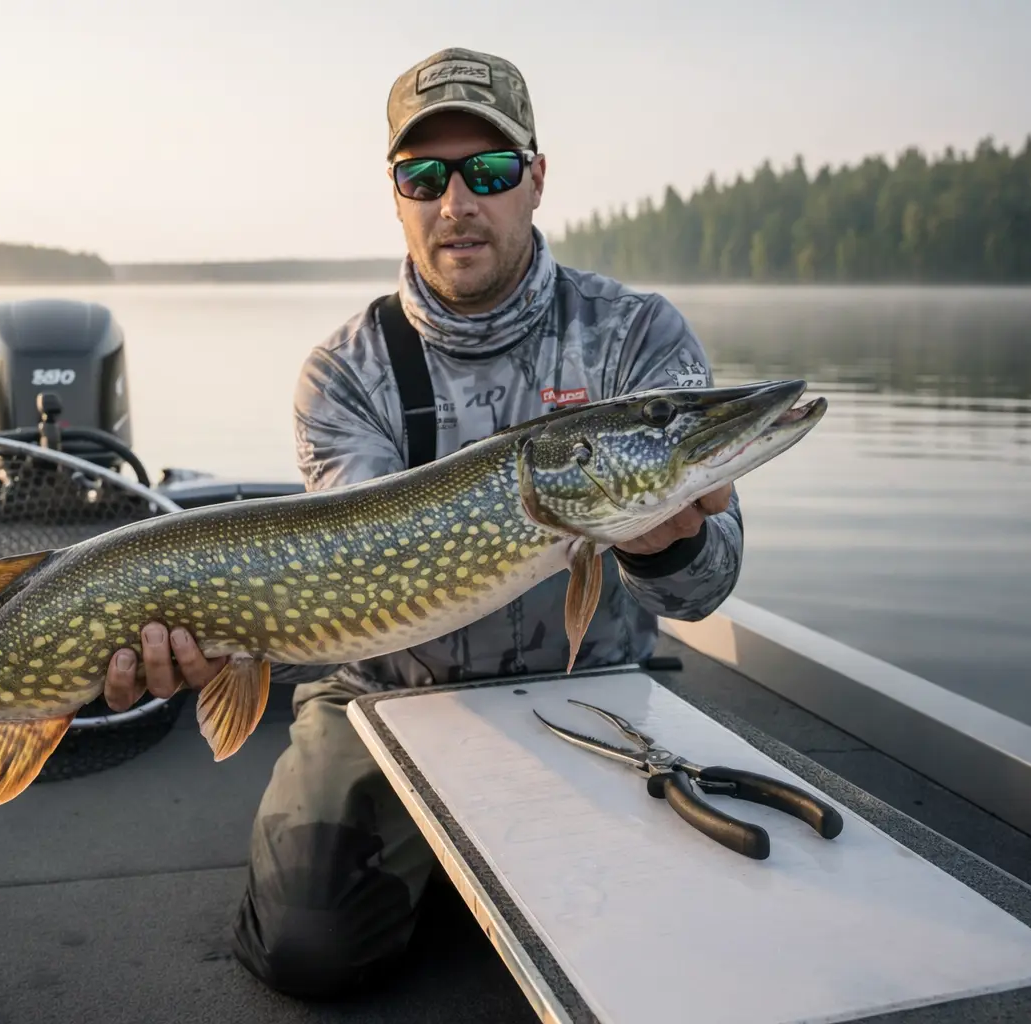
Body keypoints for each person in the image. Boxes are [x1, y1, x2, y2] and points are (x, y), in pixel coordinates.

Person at [102, 47, 743, 997]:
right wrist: (220, 638)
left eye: (487, 171)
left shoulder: (636, 338)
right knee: (309, 948)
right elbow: (339, 583)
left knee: (674, 949)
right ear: (396, 192)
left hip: (593, 689)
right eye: (424, 175)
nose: (457, 202)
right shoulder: (344, 372)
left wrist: (677, 539)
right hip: (386, 700)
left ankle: (464, 863)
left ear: (534, 179)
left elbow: (709, 587)